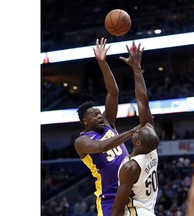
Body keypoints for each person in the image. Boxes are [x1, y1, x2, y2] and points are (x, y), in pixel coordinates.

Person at [74, 38, 139, 216]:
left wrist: (102, 62)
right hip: (110, 198)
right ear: (85, 122)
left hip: (133, 194)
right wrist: (132, 132)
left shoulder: (109, 122)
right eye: (94, 114)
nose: (99, 115)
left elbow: (113, 92)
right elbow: (102, 146)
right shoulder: (82, 141)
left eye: (99, 112)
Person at [111, 42, 160, 216]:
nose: (137, 128)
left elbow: (117, 208)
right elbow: (143, 101)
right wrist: (137, 69)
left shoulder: (131, 167)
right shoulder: (151, 151)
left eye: (138, 131)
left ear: (138, 142)